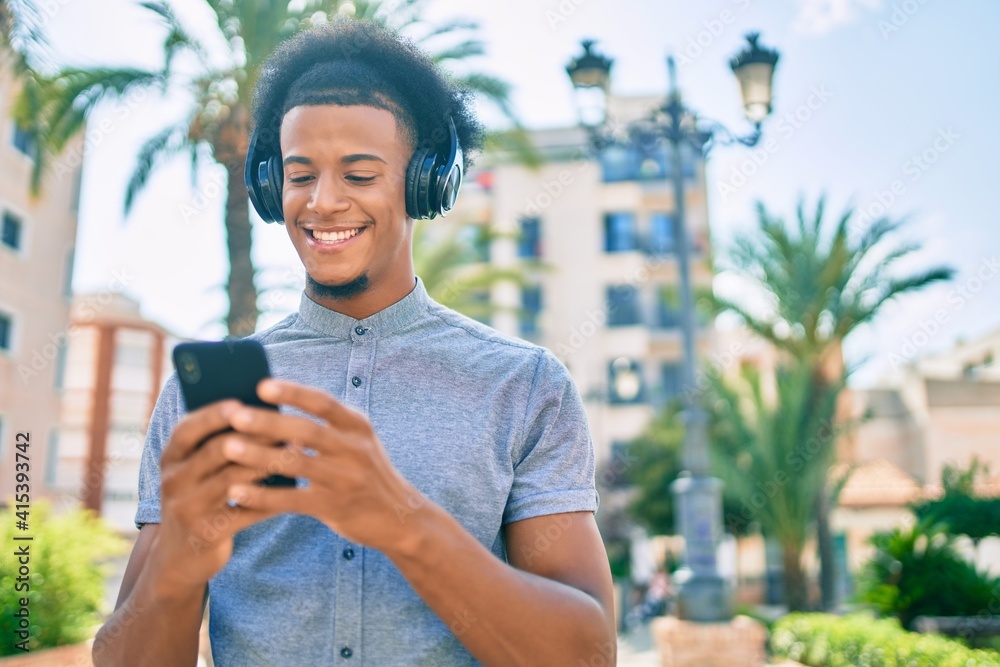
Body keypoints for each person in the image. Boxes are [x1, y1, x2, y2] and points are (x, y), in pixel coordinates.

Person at [94, 18, 616, 667]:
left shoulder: (525, 386)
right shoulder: (199, 400)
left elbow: (589, 655)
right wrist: (178, 558)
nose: (323, 202)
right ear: (270, 187)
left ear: (426, 182)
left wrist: (402, 520)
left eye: (360, 175)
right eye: (300, 175)